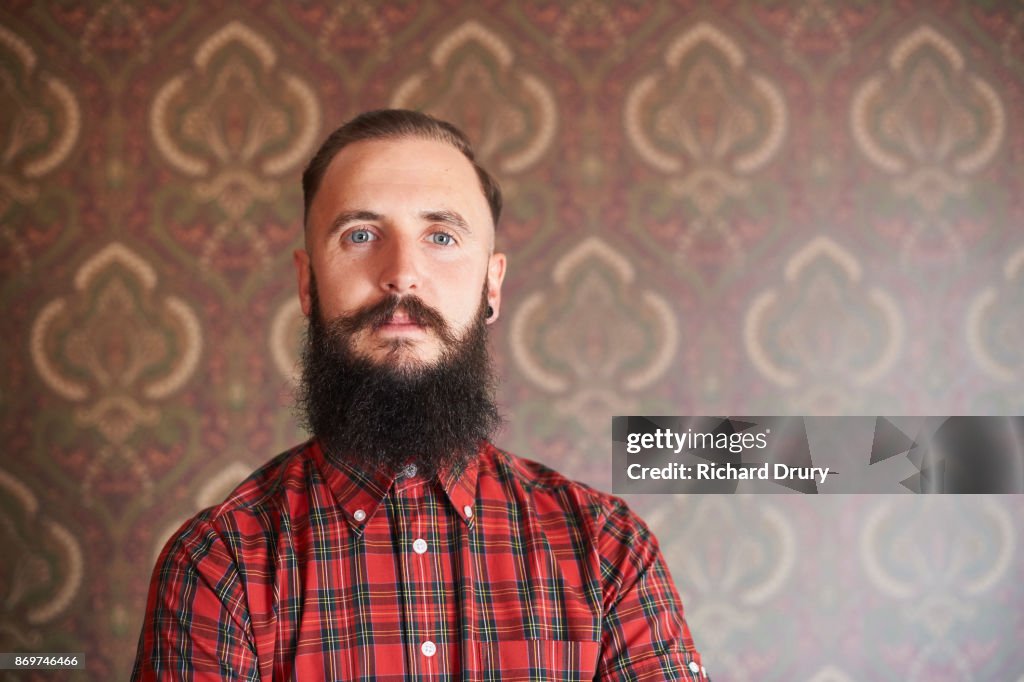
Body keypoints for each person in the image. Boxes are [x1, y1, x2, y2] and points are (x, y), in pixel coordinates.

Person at [132, 109, 709, 681]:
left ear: (492, 285)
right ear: (307, 283)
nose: (402, 273)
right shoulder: (217, 562)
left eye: (441, 236)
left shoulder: (609, 550)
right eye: (361, 235)